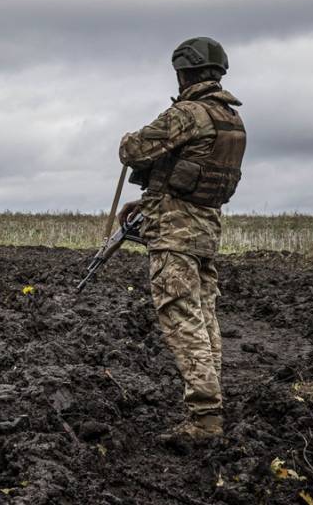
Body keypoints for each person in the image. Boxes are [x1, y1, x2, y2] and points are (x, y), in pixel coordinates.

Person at [117, 37, 246, 444]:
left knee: (181, 317)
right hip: (204, 230)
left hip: (176, 234)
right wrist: (149, 198)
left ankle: (205, 418)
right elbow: (191, 174)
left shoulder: (188, 113)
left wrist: (127, 138)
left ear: (184, 71)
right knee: (204, 317)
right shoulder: (229, 118)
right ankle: (212, 405)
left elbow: (133, 149)